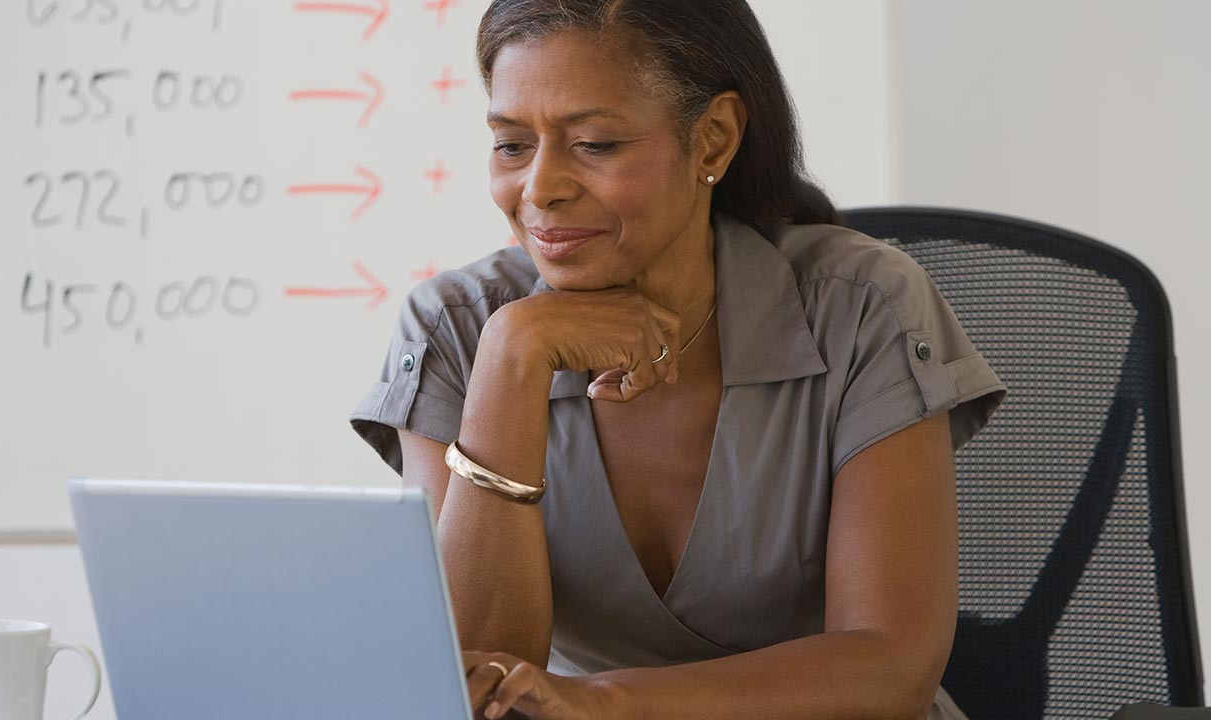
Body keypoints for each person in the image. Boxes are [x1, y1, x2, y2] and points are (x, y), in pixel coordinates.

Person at [351, 1, 1007, 717]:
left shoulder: (862, 305)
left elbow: (890, 664)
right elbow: (471, 683)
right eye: (511, 146)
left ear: (714, 142)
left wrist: (604, 703)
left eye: (595, 144)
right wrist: (513, 358)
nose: (539, 189)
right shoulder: (456, 327)